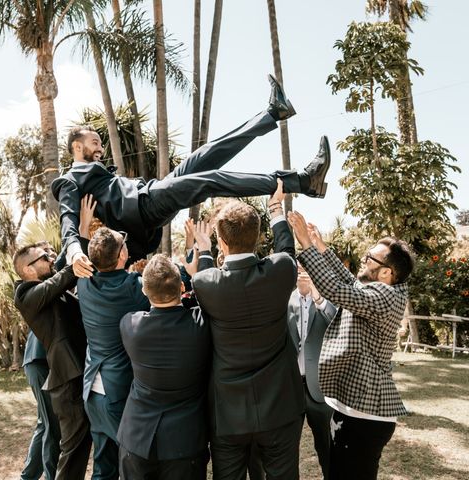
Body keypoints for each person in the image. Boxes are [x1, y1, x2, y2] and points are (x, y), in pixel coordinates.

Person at [52, 74, 331, 275]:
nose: (100, 147)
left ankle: (272, 113)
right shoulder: (69, 181)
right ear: (77, 147)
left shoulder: (97, 172)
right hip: (143, 207)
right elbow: (68, 221)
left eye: (101, 143)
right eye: (94, 142)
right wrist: (75, 251)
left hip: (150, 194)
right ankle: (303, 181)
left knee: (205, 156)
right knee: (209, 182)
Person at [287, 211, 415, 480]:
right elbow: (350, 282)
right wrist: (322, 248)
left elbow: (337, 289)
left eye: (370, 258)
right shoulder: (380, 290)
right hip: (354, 413)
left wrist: (307, 247)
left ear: (386, 273)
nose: (363, 259)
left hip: (364, 419)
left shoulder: (383, 296)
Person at [192, 182, 305, 480]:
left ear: (221, 241)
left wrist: (204, 250)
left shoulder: (205, 284)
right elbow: (286, 248)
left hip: (228, 412)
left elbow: (205, 273)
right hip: (280, 405)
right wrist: (276, 210)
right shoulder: (281, 271)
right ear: (257, 237)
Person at [117, 224, 214, 480]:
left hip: (136, 438)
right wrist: (202, 261)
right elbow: (211, 297)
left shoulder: (129, 325)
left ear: (144, 290)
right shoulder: (202, 325)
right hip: (184, 442)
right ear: (182, 287)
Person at [76, 227, 151, 480]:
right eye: (124, 244)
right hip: (116, 392)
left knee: (103, 467)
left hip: (91, 391)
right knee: (134, 465)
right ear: (121, 256)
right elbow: (166, 287)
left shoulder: (84, 284)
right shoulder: (135, 288)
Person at [13, 245, 92, 480]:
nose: (50, 259)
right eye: (44, 257)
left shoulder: (52, 292)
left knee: (77, 446)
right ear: (28, 270)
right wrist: (73, 266)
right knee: (72, 449)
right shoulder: (25, 296)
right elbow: (60, 279)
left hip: (77, 375)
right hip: (67, 380)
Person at [287, 267, 337, 480]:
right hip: (291, 388)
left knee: (327, 446)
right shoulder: (284, 301)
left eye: (306, 270)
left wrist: (317, 294)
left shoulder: (324, 301)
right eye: (298, 270)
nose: (302, 274)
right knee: (287, 450)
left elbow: (336, 320)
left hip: (320, 389)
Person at [20, 330, 60, 480]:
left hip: (36, 362)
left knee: (44, 424)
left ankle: (28, 476)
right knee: (52, 427)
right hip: (40, 362)